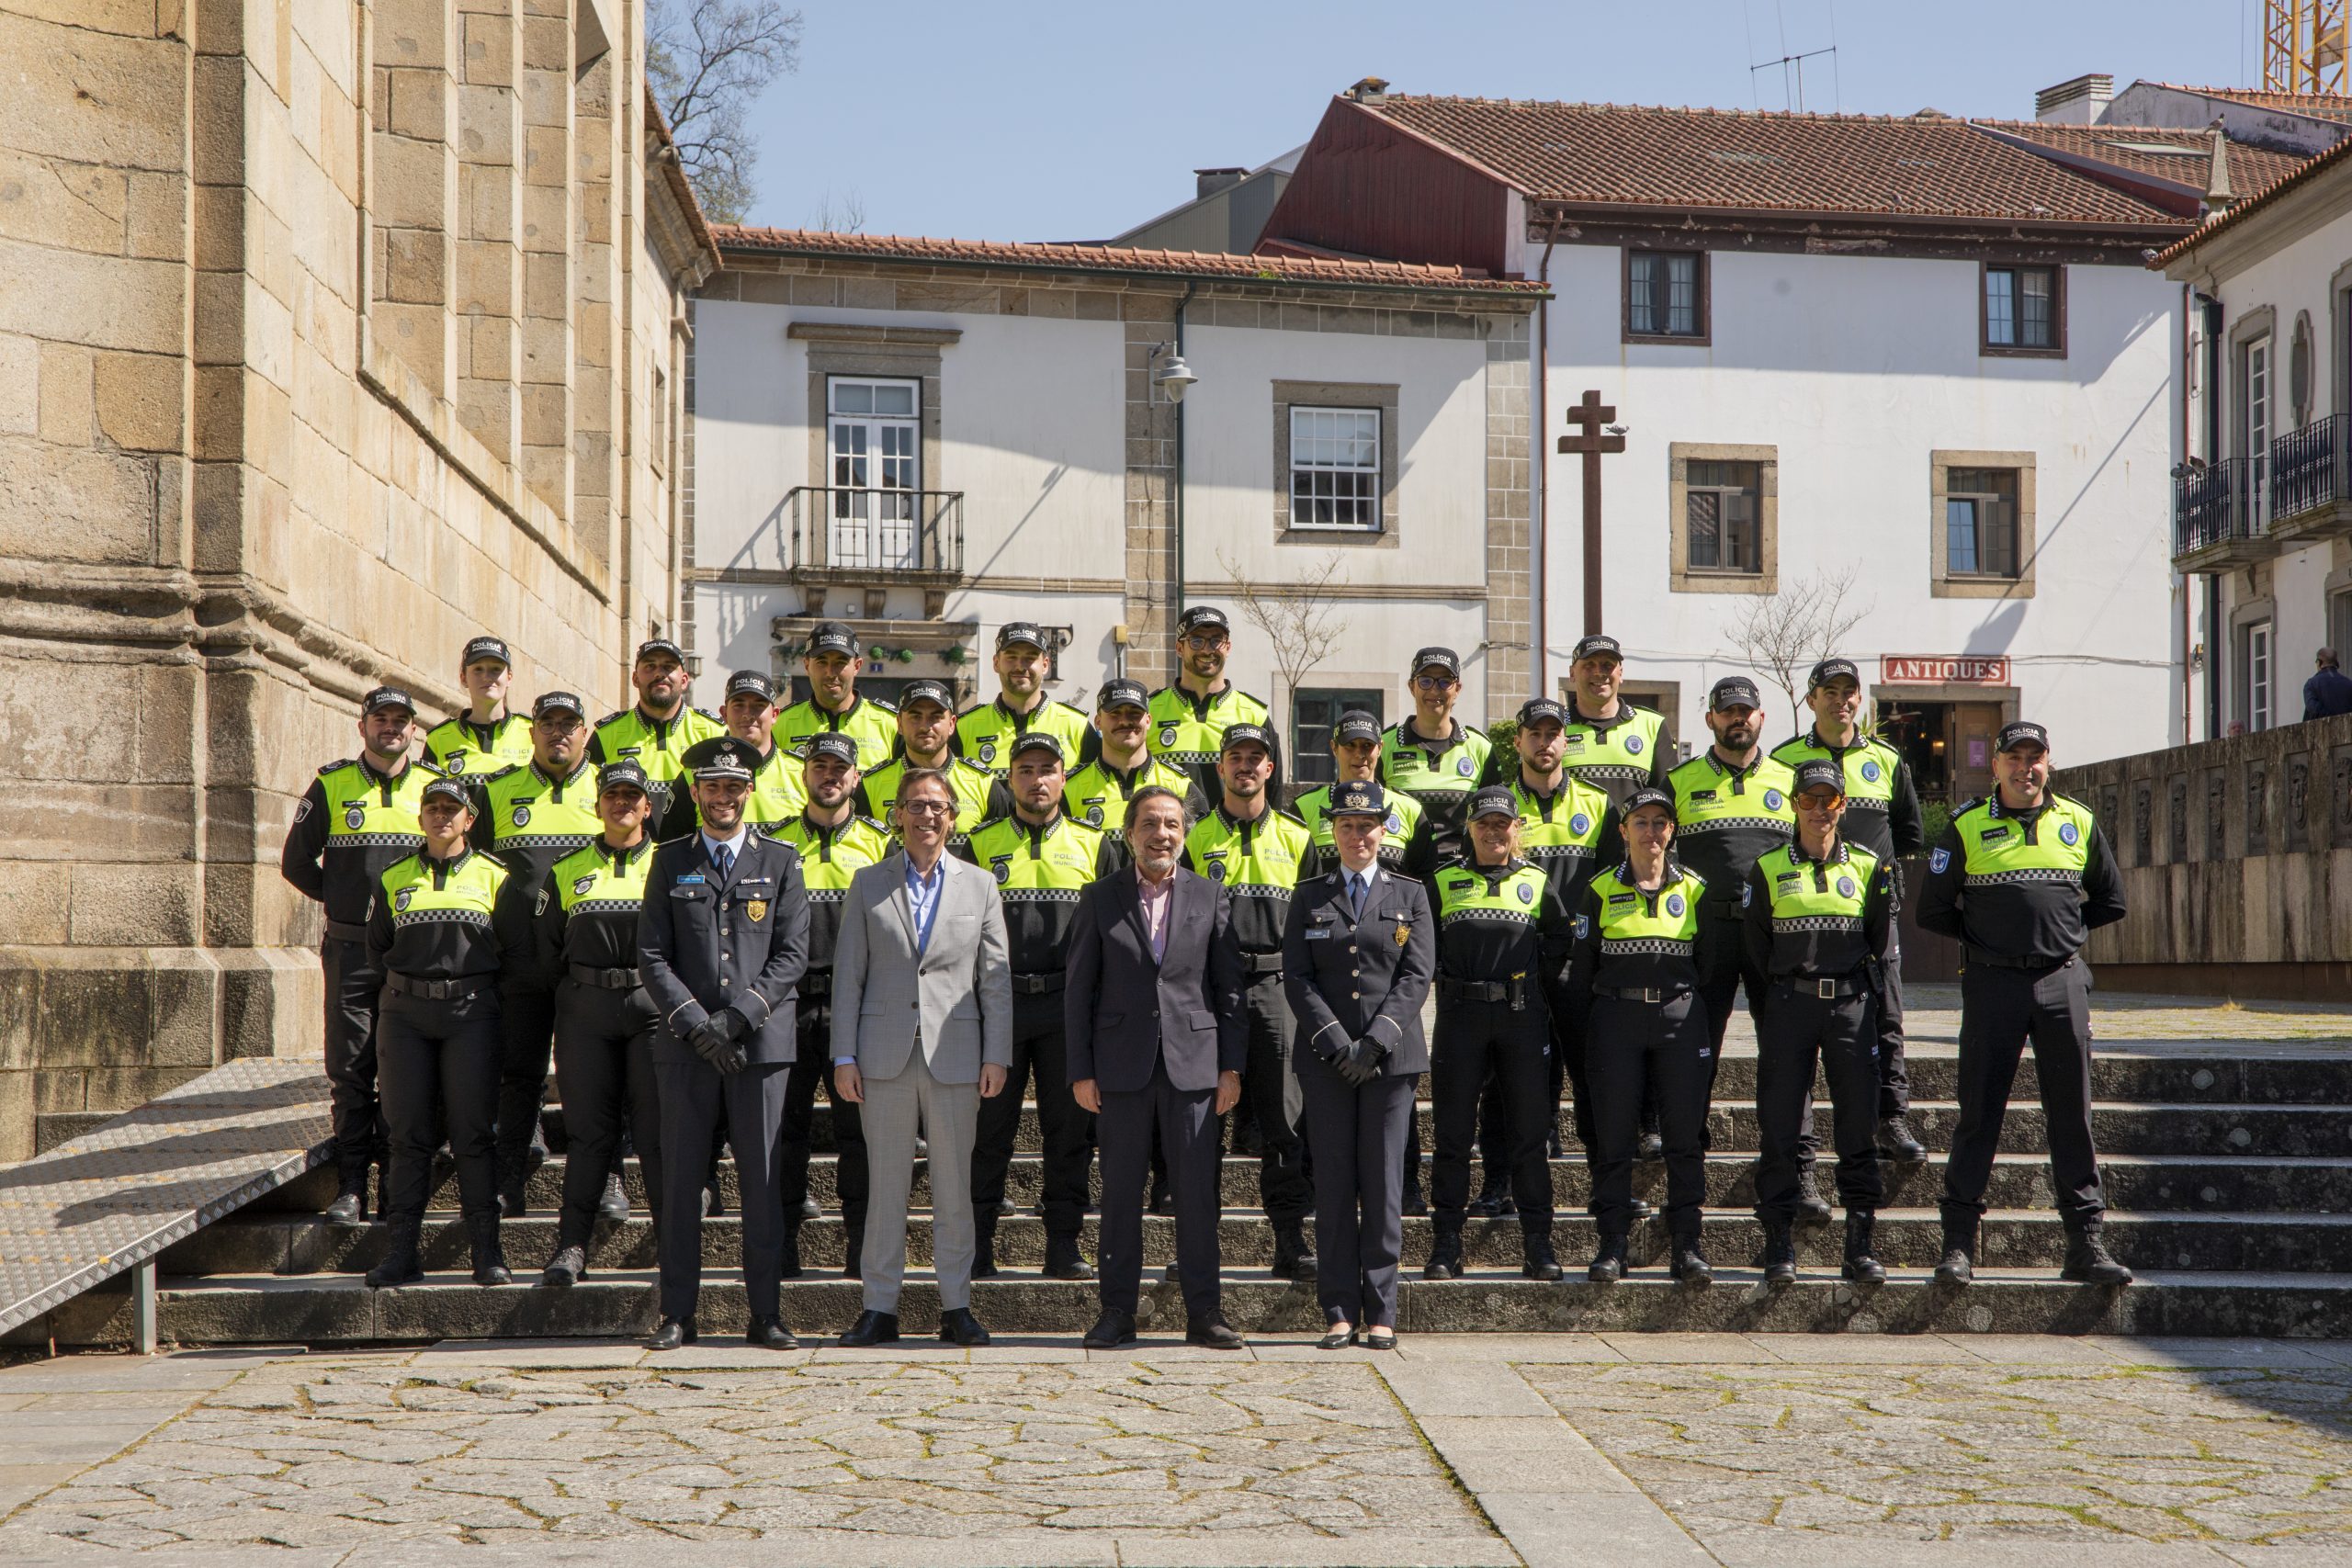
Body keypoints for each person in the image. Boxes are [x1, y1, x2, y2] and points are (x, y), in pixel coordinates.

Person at [1917, 720, 2132, 1289]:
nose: (2025, 767)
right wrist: (1989, 938)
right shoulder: (1966, 826)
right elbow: (1933, 911)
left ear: (2048, 764)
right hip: (1993, 986)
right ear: (1997, 766)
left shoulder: (2078, 822)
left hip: (2062, 985)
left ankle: (2085, 1245)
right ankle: (1959, 1246)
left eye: (2035, 757)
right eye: (2014, 757)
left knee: (2073, 1117)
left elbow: (2110, 900)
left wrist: (2061, 931)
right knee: (1978, 1116)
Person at [638, 739, 811, 1350]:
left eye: (734, 787)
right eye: (712, 787)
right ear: (695, 792)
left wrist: (734, 1019)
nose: (723, 798)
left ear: (749, 791)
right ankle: (678, 1313)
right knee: (682, 1182)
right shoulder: (668, 860)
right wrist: (696, 1022)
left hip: (758, 1047)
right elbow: (652, 953)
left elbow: (792, 954)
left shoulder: (782, 859)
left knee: (762, 1184)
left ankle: (765, 1312)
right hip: (686, 1048)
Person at [831, 766, 1013, 1348]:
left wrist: (997, 1054)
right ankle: (879, 1306)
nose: (927, 815)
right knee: (885, 1187)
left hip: (958, 1053)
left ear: (953, 817)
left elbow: (995, 979)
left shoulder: (980, 885)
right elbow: (848, 977)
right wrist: (843, 1055)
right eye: (915, 805)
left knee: (954, 1187)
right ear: (899, 815)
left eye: (937, 806)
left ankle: (956, 1305)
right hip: (882, 1055)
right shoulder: (867, 883)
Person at [1067, 784, 1248, 1350]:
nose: (1161, 834)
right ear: (1129, 834)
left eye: (1171, 823)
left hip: (1194, 1067)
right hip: (1120, 1070)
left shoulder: (1212, 895)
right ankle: (1117, 1312)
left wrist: (1231, 1069)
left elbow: (1229, 991)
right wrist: (1081, 1070)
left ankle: (1205, 1313)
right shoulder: (1099, 897)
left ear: (1185, 832)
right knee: (1120, 1195)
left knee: (1197, 1194)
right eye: (1149, 824)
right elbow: (1079, 992)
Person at [1282, 781, 1434, 1349]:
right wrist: (1336, 1042)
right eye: (1345, 826)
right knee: (1335, 1184)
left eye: (1366, 825)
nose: (1356, 835)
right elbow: (1297, 976)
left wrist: (1374, 1044)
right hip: (1326, 1063)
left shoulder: (1411, 894)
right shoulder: (1309, 895)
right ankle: (1339, 1308)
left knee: (1384, 1183)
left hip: (1389, 1064)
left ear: (1384, 829)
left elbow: (1416, 975)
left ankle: (1383, 1310)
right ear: (1333, 832)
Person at [961, 733, 1119, 1279]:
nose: (1037, 780)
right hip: (998, 1006)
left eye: (1047, 769)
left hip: (1067, 1008)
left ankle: (1063, 1245)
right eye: (1025, 770)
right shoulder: (979, 844)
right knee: (988, 1133)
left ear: (1064, 778)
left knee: (1068, 1132)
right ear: (1010, 780)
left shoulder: (1096, 844)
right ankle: (978, 1246)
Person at [280, 685, 440, 1224]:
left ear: (415, 729)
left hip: (411, 954)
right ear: (363, 726)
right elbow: (296, 863)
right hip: (350, 951)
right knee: (350, 1068)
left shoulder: (436, 789)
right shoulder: (331, 784)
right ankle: (351, 1186)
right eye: (381, 719)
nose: (390, 727)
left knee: (404, 1069)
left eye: (401, 720)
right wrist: (345, 900)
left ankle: (397, 1185)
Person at [1744, 759, 1895, 1290]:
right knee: (1781, 1126)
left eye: (1827, 800)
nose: (1817, 810)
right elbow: (1757, 947)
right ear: (1792, 805)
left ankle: (1860, 1243)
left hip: (1851, 1005)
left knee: (1857, 1126)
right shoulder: (1764, 870)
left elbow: (1881, 945)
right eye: (1807, 800)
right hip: (1791, 1004)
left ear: (1843, 805)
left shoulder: (1872, 867)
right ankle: (1779, 1241)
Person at [1771, 658, 1928, 1166]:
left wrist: (1881, 880)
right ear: (1811, 698)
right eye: (1830, 691)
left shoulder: (1886, 758)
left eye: (1849, 692)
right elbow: (1778, 833)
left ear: (1860, 700)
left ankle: (1893, 1117)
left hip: (1872, 916)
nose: (1841, 701)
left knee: (1888, 1017)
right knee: (1803, 1032)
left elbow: (1909, 832)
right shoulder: (1784, 758)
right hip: (1810, 912)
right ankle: (1801, 1142)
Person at [362, 775, 513, 1289]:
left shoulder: (496, 877)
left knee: (474, 1135)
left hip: (472, 1015)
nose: (442, 816)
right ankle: (402, 1253)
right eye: (433, 808)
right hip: (405, 1017)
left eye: (453, 809)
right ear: (420, 816)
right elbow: (376, 947)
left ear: (470, 819)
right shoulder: (394, 877)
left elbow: (512, 953)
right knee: (407, 1137)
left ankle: (487, 1254)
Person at [1564, 788, 1718, 1288]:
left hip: (1679, 1019)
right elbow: (1583, 966)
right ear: (1622, 830)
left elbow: (1709, 965)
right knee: (1613, 1138)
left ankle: (1688, 1246)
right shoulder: (1600, 888)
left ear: (1672, 831)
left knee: (1683, 1139)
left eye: (1660, 823)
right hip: (1617, 1018)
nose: (1650, 832)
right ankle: (1612, 1246)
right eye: (1641, 822)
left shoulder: (1696, 888)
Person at [1422, 787, 1575, 1284]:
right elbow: (1421, 945)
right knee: (1451, 1136)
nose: (1493, 832)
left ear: (1516, 829)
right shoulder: (1443, 881)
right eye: (1484, 824)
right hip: (1460, 1017)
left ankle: (1538, 1243)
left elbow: (1559, 938)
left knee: (1530, 1136)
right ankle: (1447, 1243)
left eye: (1502, 824)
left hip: (1520, 1017)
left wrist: (1532, 983)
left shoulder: (1535, 880)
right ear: (1470, 828)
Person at [1184, 723, 1317, 1280]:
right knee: (1200, 1124)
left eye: (1255, 758)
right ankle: (1197, 1247)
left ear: (1270, 769)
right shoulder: (1194, 839)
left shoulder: (1298, 836)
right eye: (1234, 756)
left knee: (1285, 1122)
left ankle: (1289, 1240)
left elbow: (1313, 923)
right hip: (1210, 991)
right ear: (1220, 768)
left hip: (1277, 989)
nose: (1245, 765)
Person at [531, 761, 665, 1287]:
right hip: (586, 1012)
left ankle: (672, 1248)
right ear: (598, 803)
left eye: (633, 796)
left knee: (655, 1137)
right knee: (588, 1136)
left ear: (647, 807)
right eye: (613, 795)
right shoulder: (566, 869)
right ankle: (571, 1249)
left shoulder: (670, 865)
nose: (622, 803)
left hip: (653, 1012)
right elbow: (546, 952)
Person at [766, 733, 892, 1276]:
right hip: (786, 1007)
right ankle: (783, 1245)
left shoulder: (882, 843)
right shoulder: (772, 844)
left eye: (840, 767)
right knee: (783, 1134)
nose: (830, 775)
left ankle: (861, 1248)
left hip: (856, 1011)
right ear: (804, 774)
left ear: (857, 777)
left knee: (860, 1137)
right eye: (819, 765)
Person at [473, 692, 605, 1216]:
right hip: (520, 962)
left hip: (586, 965)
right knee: (519, 1074)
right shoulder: (497, 792)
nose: (558, 733)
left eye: (568, 724)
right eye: (547, 724)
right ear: (531, 732)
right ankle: (511, 1178)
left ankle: (606, 1179)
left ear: (584, 733)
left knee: (593, 1078)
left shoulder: (610, 790)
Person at [1670, 677, 1801, 1190]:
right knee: (1695, 1047)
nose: (1737, 719)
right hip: (1708, 935)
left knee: (1783, 1050)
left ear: (1761, 718)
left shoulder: (1791, 780)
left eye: (1746, 711)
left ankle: (1788, 1156)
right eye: (1728, 712)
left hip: (1774, 937)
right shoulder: (1680, 780)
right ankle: (1686, 1149)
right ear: (1711, 720)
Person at [588, 638, 724, 841]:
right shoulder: (606, 734)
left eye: (668, 667)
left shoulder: (714, 732)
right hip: (629, 857)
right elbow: (588, 797)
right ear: (635, 678)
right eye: (650, 666)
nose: (659, 674)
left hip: (695, 856)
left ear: (685, 680)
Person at [858, 678, 1007, 851]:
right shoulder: (871, 784)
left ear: (951, 724)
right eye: (915, 716)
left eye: (935, 717)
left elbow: (1003, 847)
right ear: (899, 724)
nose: (925, 726)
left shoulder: (984, 783)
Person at [1379, 647, 1491, 871]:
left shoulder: (1480, 747)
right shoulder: (1385, 745)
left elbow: (1492, 815)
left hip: (1461, 876)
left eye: (1444, 681)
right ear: (1412, 687)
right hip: (1401, 873)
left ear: (1457, 689)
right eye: (1426, 681)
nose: (1435, 690)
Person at [1148, 604, 1273, 798]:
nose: (1207, 650)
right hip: (1169, 828)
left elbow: (1272, 792)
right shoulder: (1149, 711)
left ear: (1228, 648)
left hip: (1229, 829)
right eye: (1197, 641)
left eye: (1216, 641)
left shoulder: (1254, 713)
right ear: (1180, 648)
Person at [1064, 677, 1209, 834]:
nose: (1125, 721)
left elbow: (1200, 848)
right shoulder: (1070, 789)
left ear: (1148, 721)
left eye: (1134, 713)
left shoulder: (1179, 785)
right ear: (1098, 722)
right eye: (1115, 713)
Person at [1297, 709, 1428, 879]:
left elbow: (1425, 881)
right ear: (1334, 748)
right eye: (1350, 745)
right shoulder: (1304, 807)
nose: (1359, 754)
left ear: (1380, 748)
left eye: (1367, 745)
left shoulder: (1410, 809)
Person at [955, 622, 1094, 773]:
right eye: (1011, 657)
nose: (1020, 666)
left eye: (1030, 658)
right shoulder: (964, 728)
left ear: (1045, 665)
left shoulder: (1078, 726)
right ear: (996, 663)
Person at [1559, 635, 1670, 807]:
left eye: (1608, 665)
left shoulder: (1653, 725)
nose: (1599, 672)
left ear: (1620, 674)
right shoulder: (1554, 728)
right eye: (1589, 665)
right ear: (1572, 673)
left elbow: (1668, 800)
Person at [775, 622, 898, 768]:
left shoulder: (891, 723)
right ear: (807, 665)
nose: (830, 673)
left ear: (857, 666)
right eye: (821, 662)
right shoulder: (780, 724)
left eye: (840, 662)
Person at [423, 636, 534, 778]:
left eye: (496, 669)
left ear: (509, 678)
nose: (487, 677)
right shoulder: (439, 739)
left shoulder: (532, 733)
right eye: (478, 669)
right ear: (463, 678)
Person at [714, 670, 807, 830]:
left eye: (759, 706)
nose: (748, 714)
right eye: (738, 705)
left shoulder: (804, 773)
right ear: (724, 714)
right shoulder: (697, 774)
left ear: (775, 715)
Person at [2305, 648, 2352, 721]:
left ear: (2319, 662)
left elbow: (2313, 710)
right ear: (2337, 663)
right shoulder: (2349, 683)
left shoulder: (2311, 684)